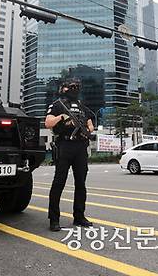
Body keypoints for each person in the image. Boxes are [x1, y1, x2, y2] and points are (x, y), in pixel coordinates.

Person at [46, 78, 94, 232]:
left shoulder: (82, 107)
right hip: (65, 145)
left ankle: (79, 217)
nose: (74, 89)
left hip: (80, 146)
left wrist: (86, 128)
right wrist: (62, 118)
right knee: (59, 182)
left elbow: (90, 125)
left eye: (76, 87)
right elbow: (48, 123)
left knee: (81, 183)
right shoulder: (57, 105)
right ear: (64, 88)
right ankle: (54, 219)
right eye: (71, 87)